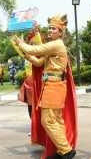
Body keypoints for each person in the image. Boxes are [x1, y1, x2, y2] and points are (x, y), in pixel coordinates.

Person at [13, 14, 77, 159]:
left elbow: (35, 50)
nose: (49, 31)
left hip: (54, 86)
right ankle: (63, 150)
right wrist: (25, 53)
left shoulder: (57, 44)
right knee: (56, 120)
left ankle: (66, 150)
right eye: (49, 28)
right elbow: (38, 62)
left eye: (53, 28)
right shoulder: (53, 47)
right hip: (53, 86)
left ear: (60, 32)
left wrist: (20, 42)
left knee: (47, 120)